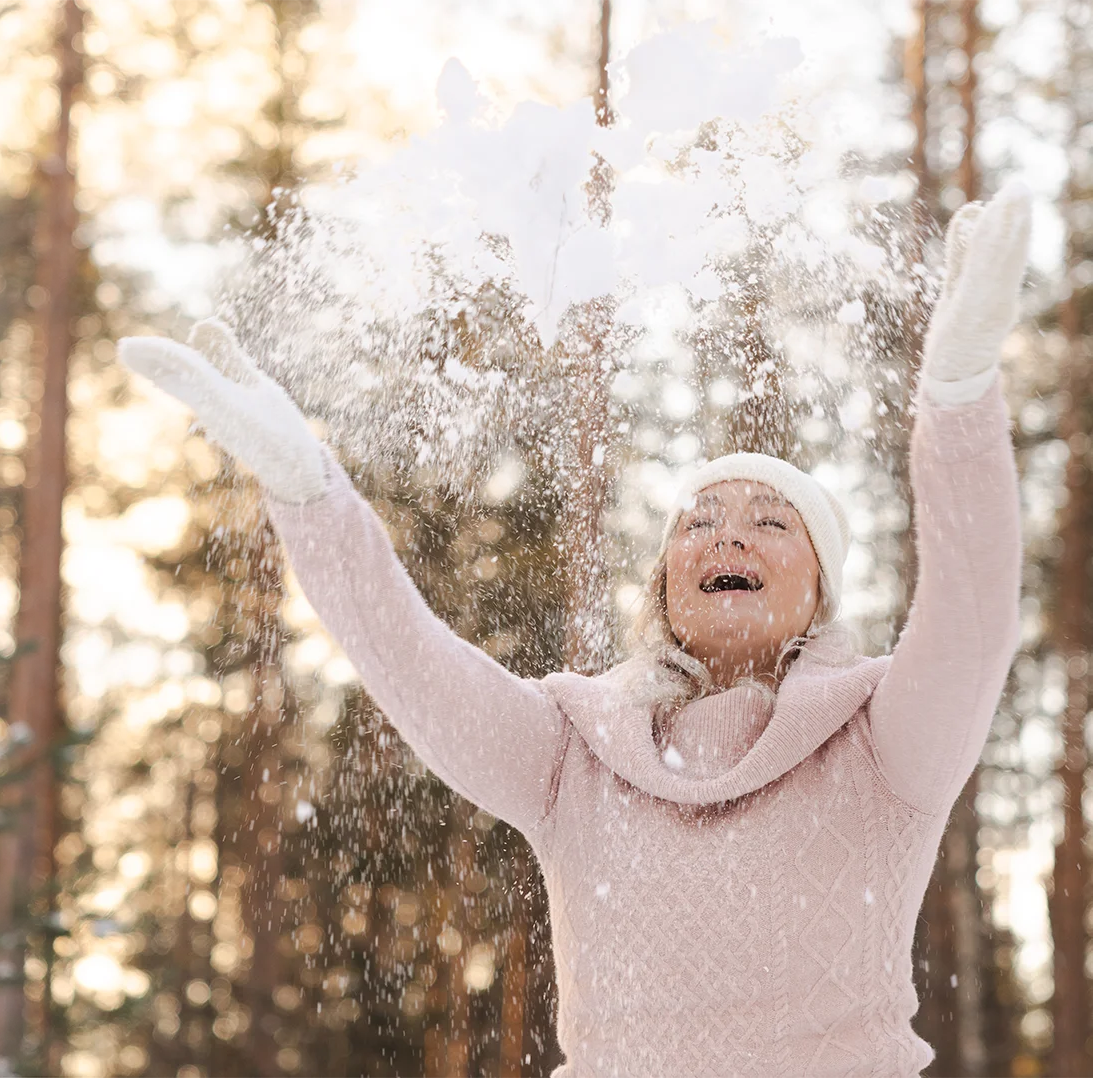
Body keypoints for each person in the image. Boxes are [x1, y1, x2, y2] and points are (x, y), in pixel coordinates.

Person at [118, 181, 1031, 1077]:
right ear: (665, 586)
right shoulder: (576, 749)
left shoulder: (884, 737)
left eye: (771, 520)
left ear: (820, 588)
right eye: (698, 521)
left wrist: (958, 398)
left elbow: (974, 610)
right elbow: (406, 655)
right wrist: (308, 490)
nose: (728, 535)